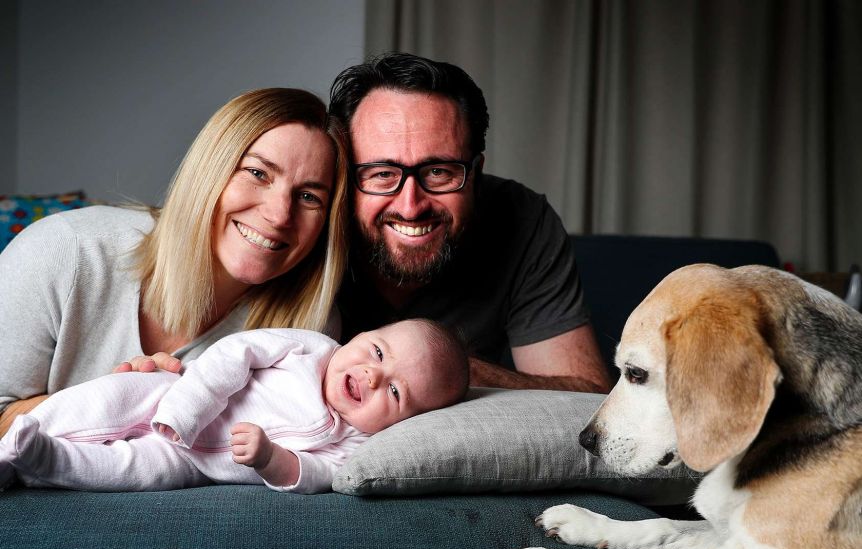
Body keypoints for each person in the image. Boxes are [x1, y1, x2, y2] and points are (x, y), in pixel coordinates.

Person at [0, 88, 349, 439]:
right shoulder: (64, 250)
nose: (278, 215)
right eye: (258, 174)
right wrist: (106, 403)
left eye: (308, 197)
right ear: (209, 170)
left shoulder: (309, 328)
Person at [328, 52, 611, 393]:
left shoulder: (522, 218)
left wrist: (447, 372)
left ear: (476, 173)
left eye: (438, 172)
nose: (411, 206)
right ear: (343, 173)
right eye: (382, 174)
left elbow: (586, 397)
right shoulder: (310, 218)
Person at [0, 318, 469, 494]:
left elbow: (317, 477)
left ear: (405, 424)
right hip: (168, 395)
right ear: (361, 334)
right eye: (378, 352)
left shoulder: (356, 444)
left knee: (130, 472)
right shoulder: (310, 349)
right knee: (98, 402)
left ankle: (44, 459)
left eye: (393, 393)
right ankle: (13, 447)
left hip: (189, 464)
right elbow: (235, 351)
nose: (371, 374)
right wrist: (186, 409)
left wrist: (272, 460)